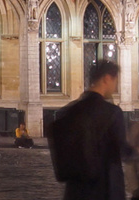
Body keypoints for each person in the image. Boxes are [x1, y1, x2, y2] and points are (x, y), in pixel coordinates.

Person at [53, 60, 127, 200]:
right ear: (107, 79)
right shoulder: (113, 113)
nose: (115, 86)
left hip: (75, 192)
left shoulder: (69, 112)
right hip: (105, 190)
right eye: (115, 81)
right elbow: (121, 149)